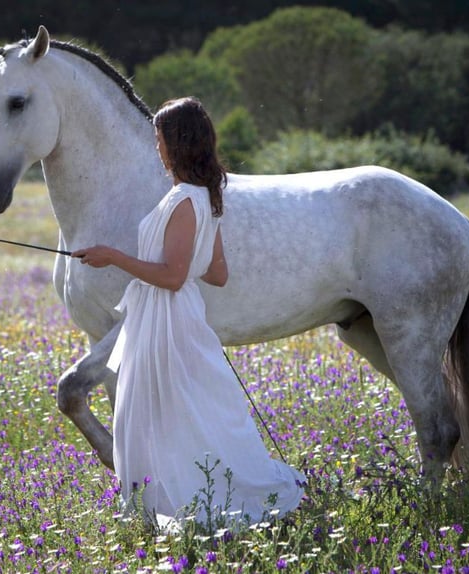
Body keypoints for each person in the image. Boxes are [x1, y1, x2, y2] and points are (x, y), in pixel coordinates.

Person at [71, 97, 304, 528]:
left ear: (174, 143)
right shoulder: (205, 198)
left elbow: (174, 276)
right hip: (179, 316)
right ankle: (177, 499)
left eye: (159, 138)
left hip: (166, 321)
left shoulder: (182, 200)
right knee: (191, 412)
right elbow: (216, 273)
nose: (156, 147)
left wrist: (113, 257)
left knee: (162, 413)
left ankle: (179, 504)